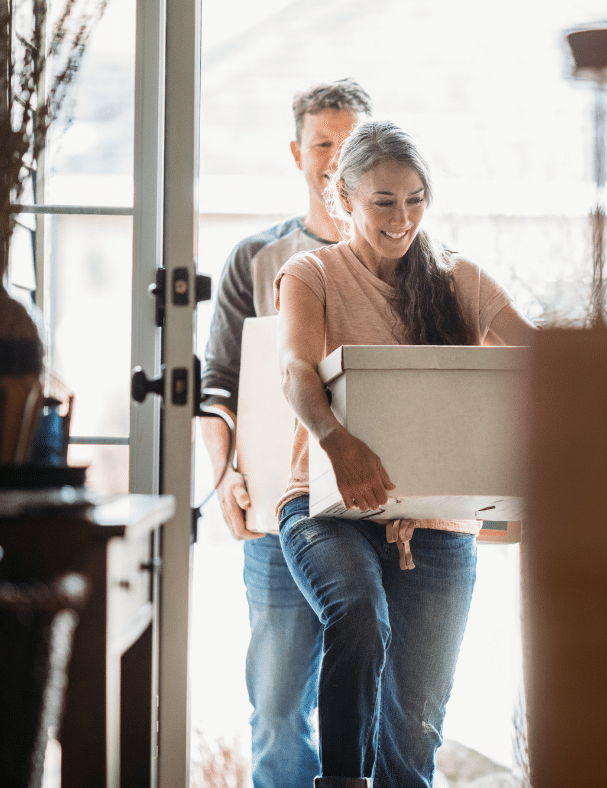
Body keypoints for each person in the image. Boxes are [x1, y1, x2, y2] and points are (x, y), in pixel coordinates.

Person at [274, 120, 535, 788]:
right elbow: (295, 371)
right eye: (384, 201)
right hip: (326, 507)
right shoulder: (312, 273)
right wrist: (340, 443)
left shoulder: (459, 279)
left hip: (440, 525)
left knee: (413, 732)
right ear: (345, 199)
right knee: (358, 612)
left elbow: (541, 362)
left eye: (415, 198)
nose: (402, 217)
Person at [201, 79, 372, 788]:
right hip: (277, 517)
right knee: (276, 708)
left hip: (374, 515)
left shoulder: (403, 259)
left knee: (373, 705)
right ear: (296, 151)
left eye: (349, 142)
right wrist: (225, 479)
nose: (334, 158)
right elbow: (217, 384)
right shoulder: (254, 259)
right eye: (322, 142)